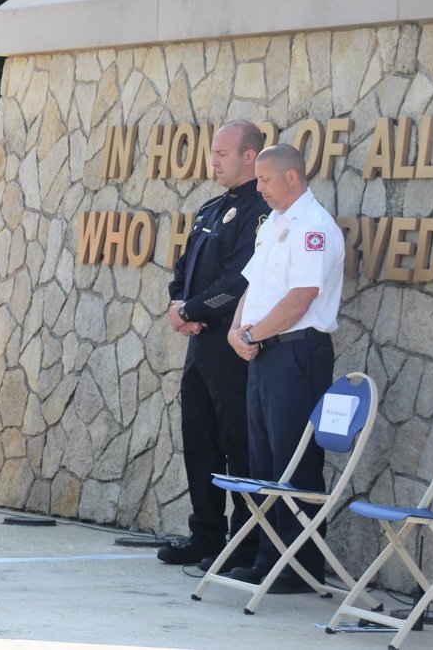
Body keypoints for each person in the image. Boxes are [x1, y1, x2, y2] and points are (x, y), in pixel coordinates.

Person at [226, 143, 345, 593]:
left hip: (296, 354)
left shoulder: (312, 227)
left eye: (265, 180)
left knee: (295, 463)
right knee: (264, 462)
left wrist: (252, 336)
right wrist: (237, 331)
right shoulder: (275, 223)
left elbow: (300, 299)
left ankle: (299, 567)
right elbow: (254, 287)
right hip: (265, 352)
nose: (258, 188)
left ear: (292, 178)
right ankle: (269, 558)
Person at [158, 121, 270, 572]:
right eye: (214, 153)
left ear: (250, 157)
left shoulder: (259, 211)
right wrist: (178, 303)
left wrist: (192, 311)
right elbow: (184, 268)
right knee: (199, 441)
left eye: (223, 153)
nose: (214, 160)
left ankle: (242, 545)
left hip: (232, 347)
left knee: (236, 444)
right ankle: (206, 534)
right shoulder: (210, 208)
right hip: (200, 347)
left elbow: (242, 278)